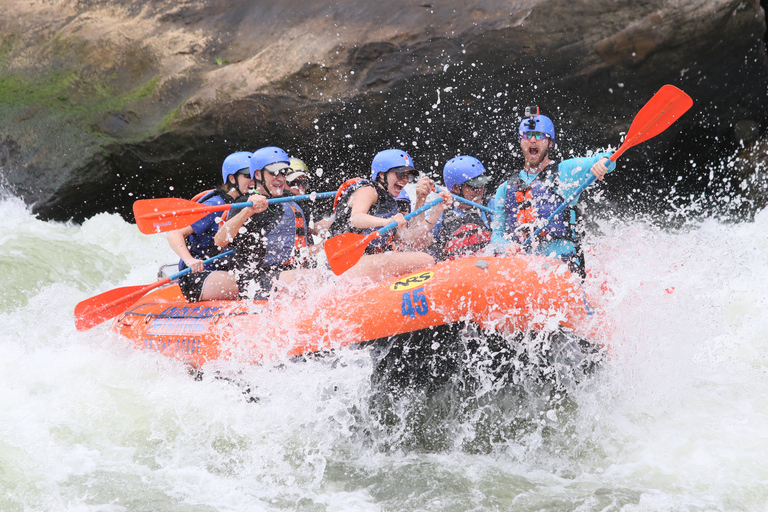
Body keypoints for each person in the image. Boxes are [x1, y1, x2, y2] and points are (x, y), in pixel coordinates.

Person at [490, 110, 615, 277]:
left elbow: (609, 159)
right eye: (527, 135)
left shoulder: (566, 172)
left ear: (550, 143)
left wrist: (602, 163)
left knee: (543, 270)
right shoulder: (505, 188)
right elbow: (496, 238)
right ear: (521, 142)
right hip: (525, 268)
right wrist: (505, 246)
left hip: (563, 264)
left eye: (539, 136)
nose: (532, 140)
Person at [328, 148, 452, 280]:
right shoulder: (368, 190)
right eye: (400, 175)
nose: (405, 180)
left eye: (408, 176)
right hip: (345, 265)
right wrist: (387, 221)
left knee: (423, 256)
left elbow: (414, 242)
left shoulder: (389, 205)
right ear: (382, 175)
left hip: (362, 264)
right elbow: (356, 218)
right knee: (424, 260)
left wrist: (437, 209)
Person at [214, 146, 312, 299]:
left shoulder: (292, 200)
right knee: (313, 279)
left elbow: (317, 229)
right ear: (258, 174)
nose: (279, 178)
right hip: (258, 280)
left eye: (283, 172)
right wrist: (248, 211)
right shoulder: (244, 203)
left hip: (290, 273)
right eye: (273, 172)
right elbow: (220, 240)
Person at [166, 151, 252, 302]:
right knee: (253, 283)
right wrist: (190, 261)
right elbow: (174, 234)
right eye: (247, 176)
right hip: (198, 276)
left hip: (225, 272)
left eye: (256, 175)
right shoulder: (216, 205)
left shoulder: (251, 204)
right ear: (232, 178)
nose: (253, 181)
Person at [429, 155, 493, 260]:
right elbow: (418, 243)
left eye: (482, 184)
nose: (480, 190)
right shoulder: (440, 213)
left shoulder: (492, 206)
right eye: (474, 186)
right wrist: (420, 200)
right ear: (456, 188)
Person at [286, 157, 332, 240]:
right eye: (294, 183)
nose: (301, 188)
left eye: (304, 183)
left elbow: (325, 230)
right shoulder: (270, 206)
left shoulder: (301, 206)